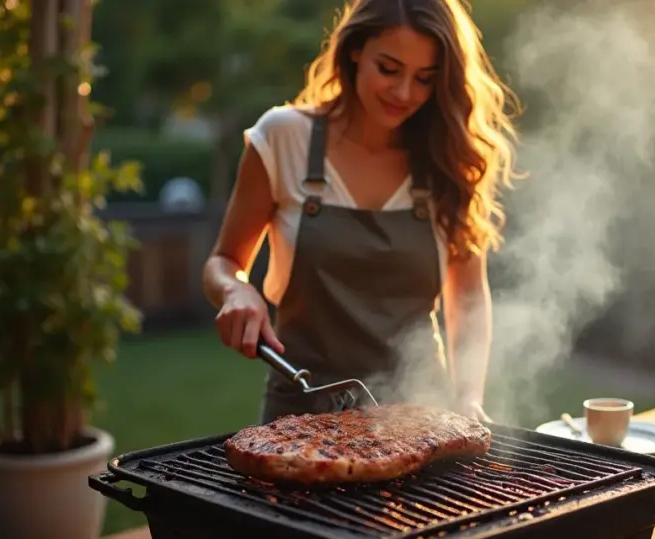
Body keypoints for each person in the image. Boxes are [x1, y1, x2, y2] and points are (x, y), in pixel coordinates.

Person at [202, 0, 521, 424]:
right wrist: (236, 290)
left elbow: (466, 296)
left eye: (425, 79)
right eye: (388, 69)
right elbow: (223, 263)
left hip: (421, 416)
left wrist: (467, 397)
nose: (405, 93)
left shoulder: (446, 159)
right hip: (300, 414)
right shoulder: (283, 138)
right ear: (354, 50)